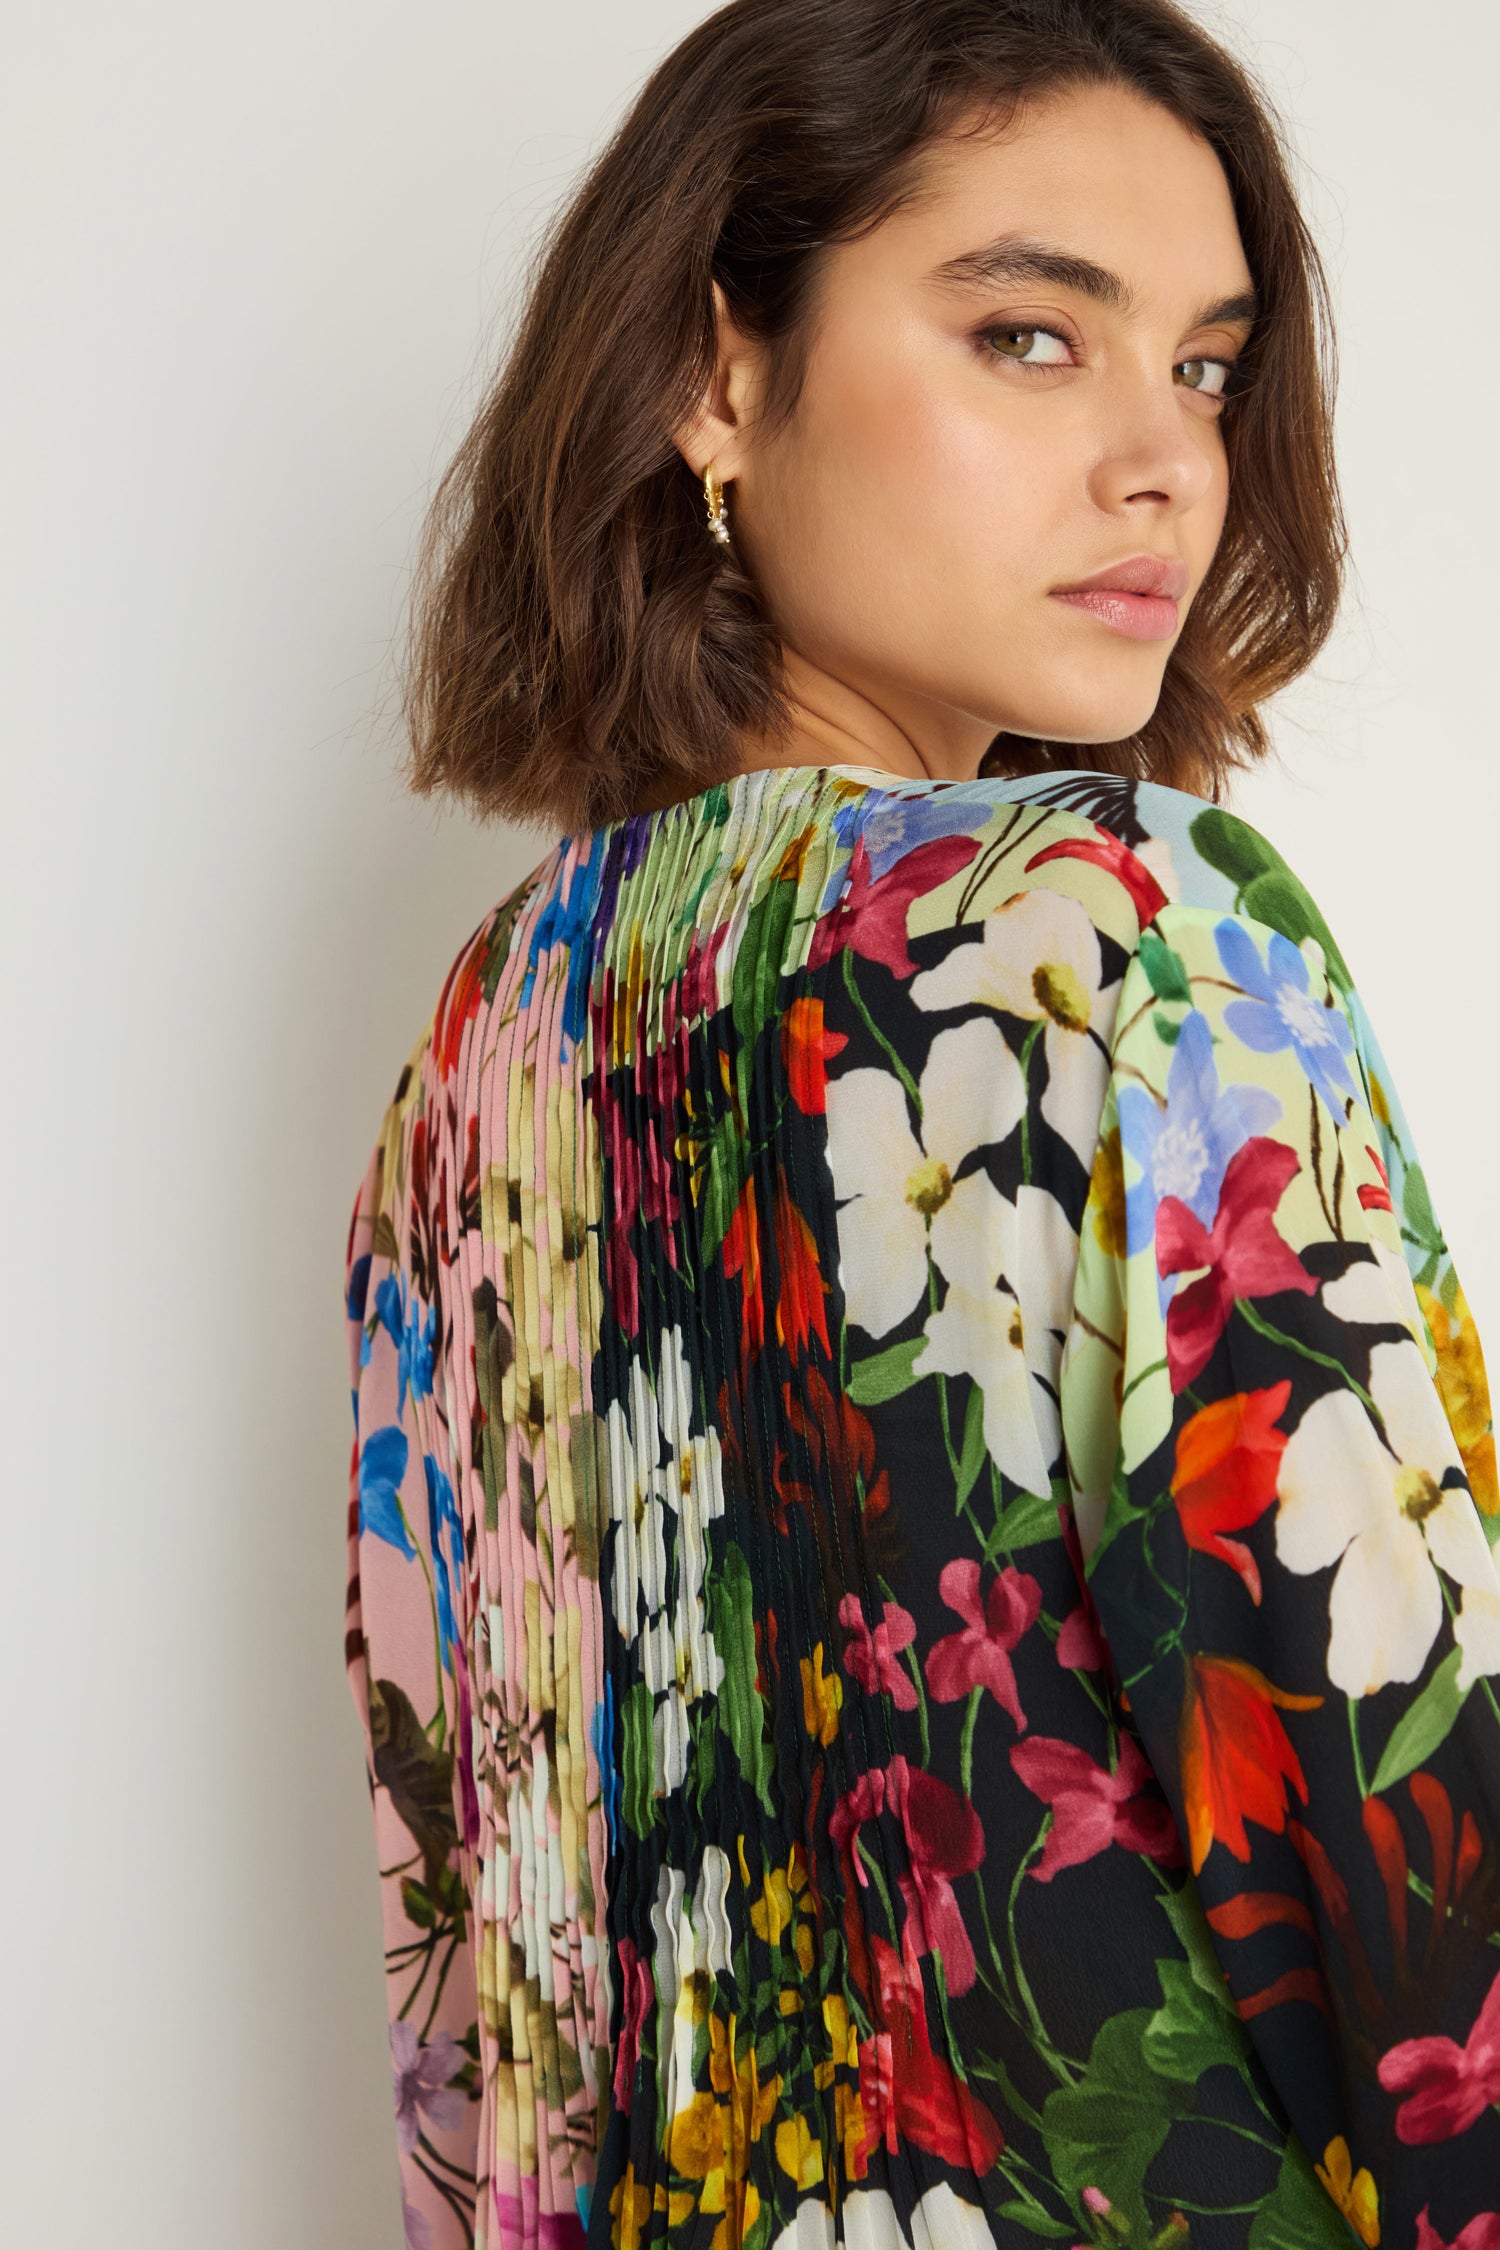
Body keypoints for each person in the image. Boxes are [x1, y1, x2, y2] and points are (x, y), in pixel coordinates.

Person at [341, 2, 1500, 2244]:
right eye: (1031, 338)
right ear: (722, 375)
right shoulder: (1119, 934)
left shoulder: (473, 1062)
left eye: (1209, 365)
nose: (1167, 460)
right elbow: (1408, 1839)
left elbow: (457, 1979)